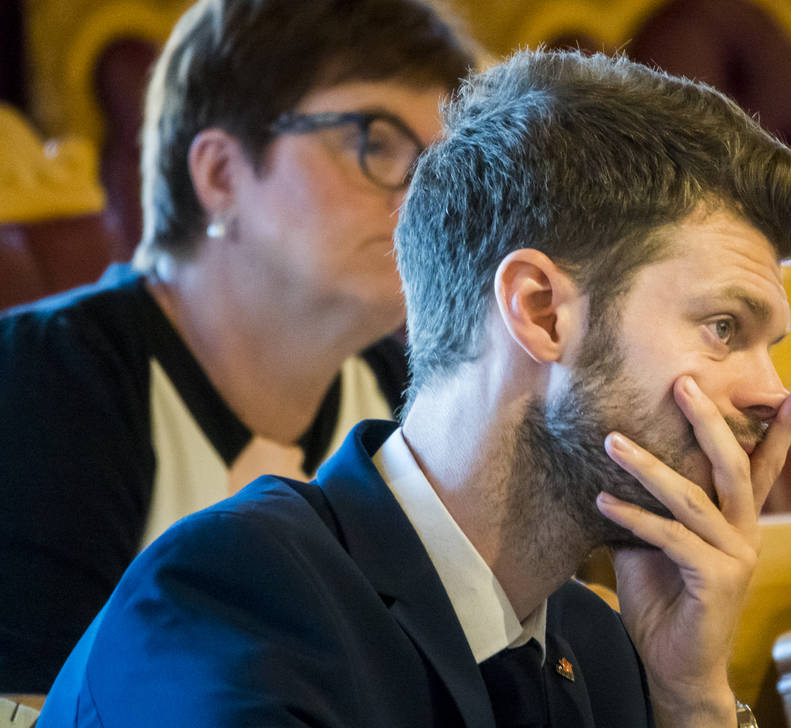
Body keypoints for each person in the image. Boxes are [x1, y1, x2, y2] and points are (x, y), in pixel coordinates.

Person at [21, 49, 791, 728]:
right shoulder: (220, 604)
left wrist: (694, 702)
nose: (771, 391)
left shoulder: (602, 652)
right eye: (725, 327)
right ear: (542, 311)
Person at [0, 0, 475, 691]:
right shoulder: (43, 383)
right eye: (374, 142)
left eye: (442, 166)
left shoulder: (417, 401)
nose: (428, 202)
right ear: (220, 174)